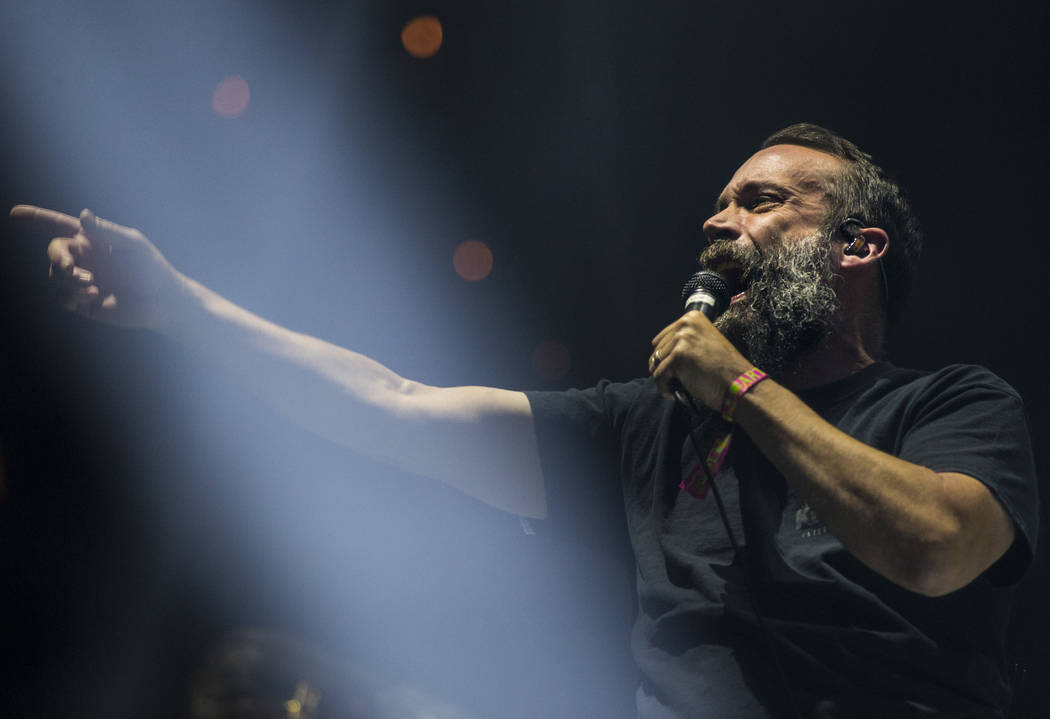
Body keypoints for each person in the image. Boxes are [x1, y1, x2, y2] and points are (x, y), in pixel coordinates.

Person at [11, 123, 1038, 718]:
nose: (720, 224)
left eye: (761, 202)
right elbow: (392, 406)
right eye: (719, 205)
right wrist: (183, 305)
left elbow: (940, 549)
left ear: (856, 248)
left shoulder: (950, 405)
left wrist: (737, 388)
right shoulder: (652, 425)